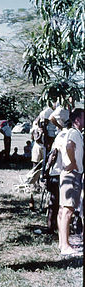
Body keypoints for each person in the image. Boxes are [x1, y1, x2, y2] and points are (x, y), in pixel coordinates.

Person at [58, 108, 84, 255]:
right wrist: (73, 162)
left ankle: (63, 244)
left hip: (71, 174)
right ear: (77, 120)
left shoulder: (74, 133)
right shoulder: (73, 133)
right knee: (68, 210)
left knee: (64, 209)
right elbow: (69, 146)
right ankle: (66, 246)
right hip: (72, 174)